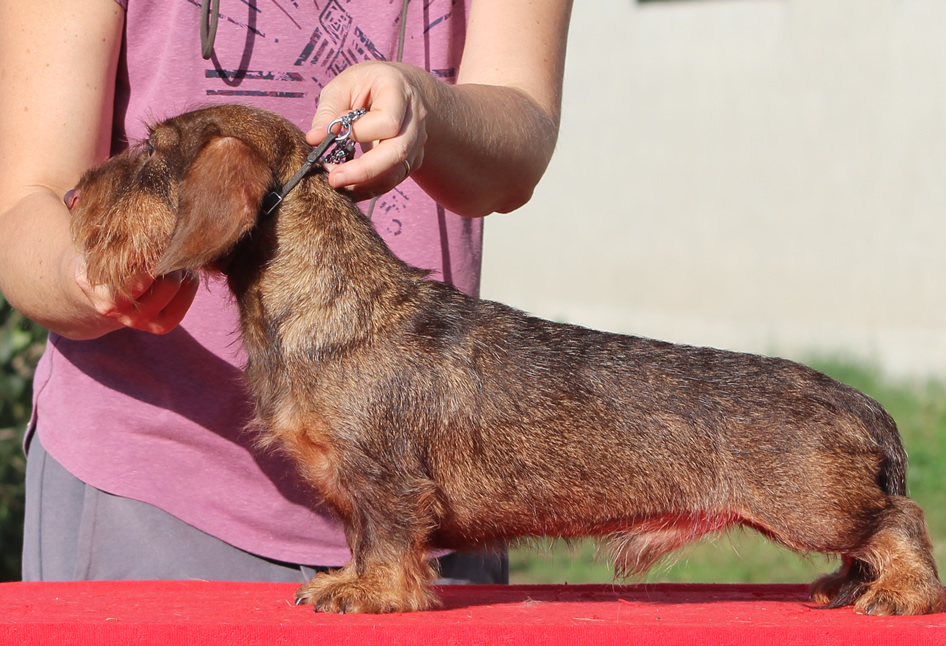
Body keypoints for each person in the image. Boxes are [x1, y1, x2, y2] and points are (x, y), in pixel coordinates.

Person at [0, 0, 571, 582]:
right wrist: (85, 276)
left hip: (428, 490)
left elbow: (517, 151)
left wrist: (429, 107)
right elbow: (29, 199)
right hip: (145, 488)